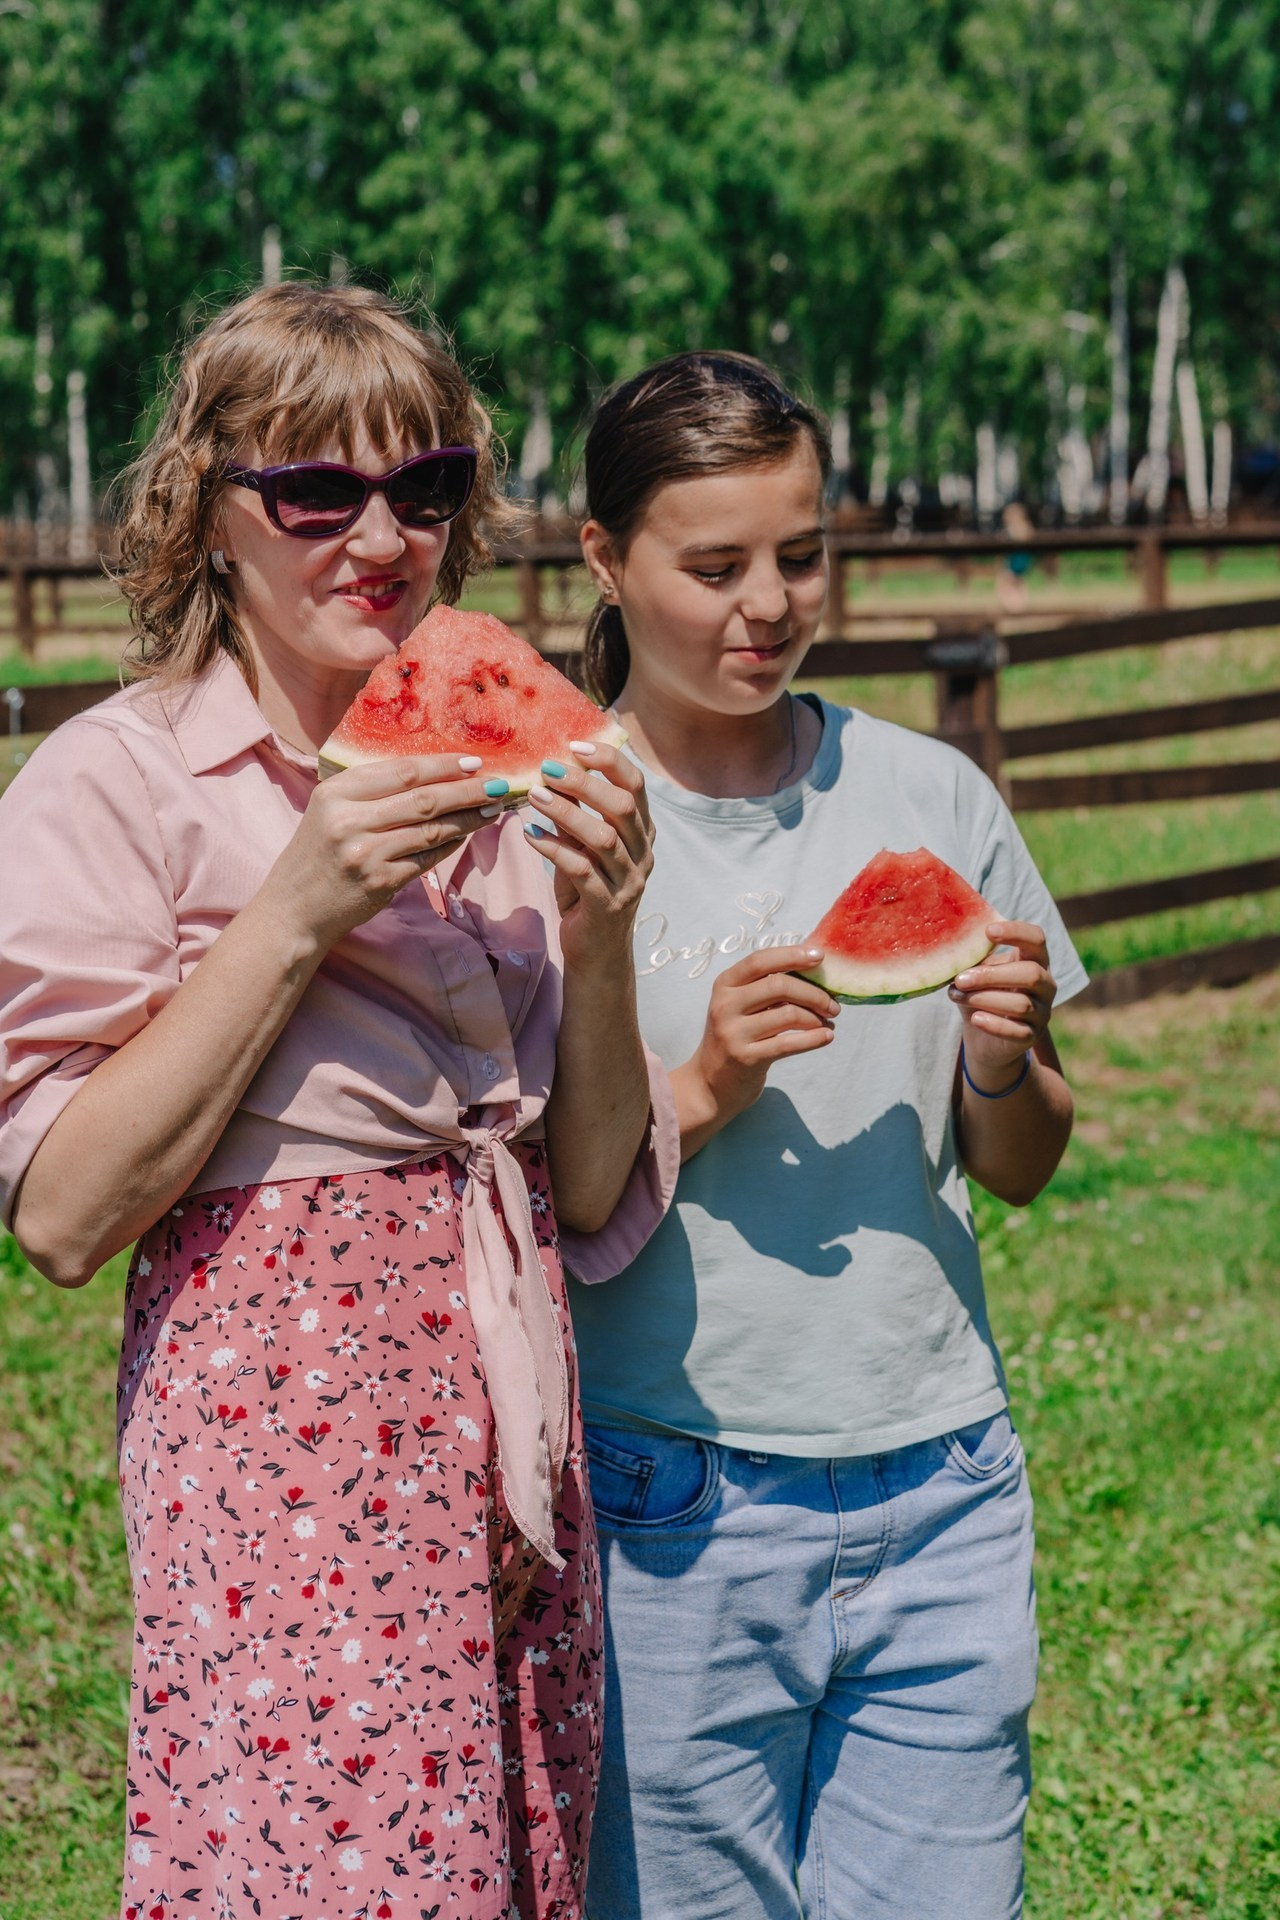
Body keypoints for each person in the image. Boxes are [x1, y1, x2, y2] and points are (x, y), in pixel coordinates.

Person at [0, 283, 677, 1920]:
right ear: (208, 513)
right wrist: (297, 906)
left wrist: (601, 928)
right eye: (315, 492)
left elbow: (585, 1192)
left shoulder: (507, 791)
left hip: (513, 1436)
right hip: (286, 1469)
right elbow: (67, 1217)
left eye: (426, 486)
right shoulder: (117, 782)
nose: (380, 538)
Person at [566, 351, 1088, 1920]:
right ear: (606, 561)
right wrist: (707, 1084)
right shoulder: (562, 823)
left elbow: (1024, 1160)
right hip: (670, 1497)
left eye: (802, 554)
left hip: (943, 1479)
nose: (770, 604)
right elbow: (567, 1194)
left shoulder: (934, 793)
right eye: (715, 565)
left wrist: (1001, 1061)